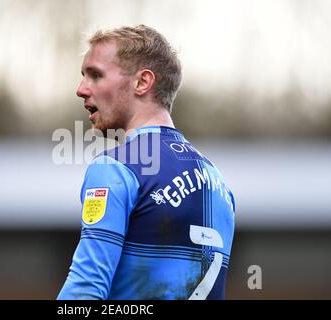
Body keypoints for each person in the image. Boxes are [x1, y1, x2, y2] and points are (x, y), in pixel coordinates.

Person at [57, 25, 235, 300]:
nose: (81, 90)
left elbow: (85, 291)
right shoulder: (218, 181)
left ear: (142, 82)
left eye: (95, 75)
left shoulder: (115, 168)